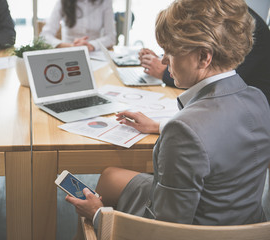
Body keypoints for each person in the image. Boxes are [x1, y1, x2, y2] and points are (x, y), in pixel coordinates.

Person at [66, 0, 270, 231]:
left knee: (91, 207)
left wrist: (97, 215)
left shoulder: (184, 131)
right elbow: (216, 135)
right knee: (111, 177)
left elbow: (165, 231)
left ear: (204, 57)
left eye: (170, 52)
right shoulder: (257, 99)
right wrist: (159, 126)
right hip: (243, 224)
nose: (163, 60)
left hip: (196, 232)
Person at [138, 7, 270, 104]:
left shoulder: (241, 26)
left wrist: (164, 72)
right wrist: (169, 54)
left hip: (239, 106)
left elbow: (220, 75)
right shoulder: (222, 14)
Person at [40, 0, 116, 52]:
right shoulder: (62, 2)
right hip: (68, 52)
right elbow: (45, 36)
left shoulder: (105, 2)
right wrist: (70, 46)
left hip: (95, 54)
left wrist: (92, 45)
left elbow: (111, 36)